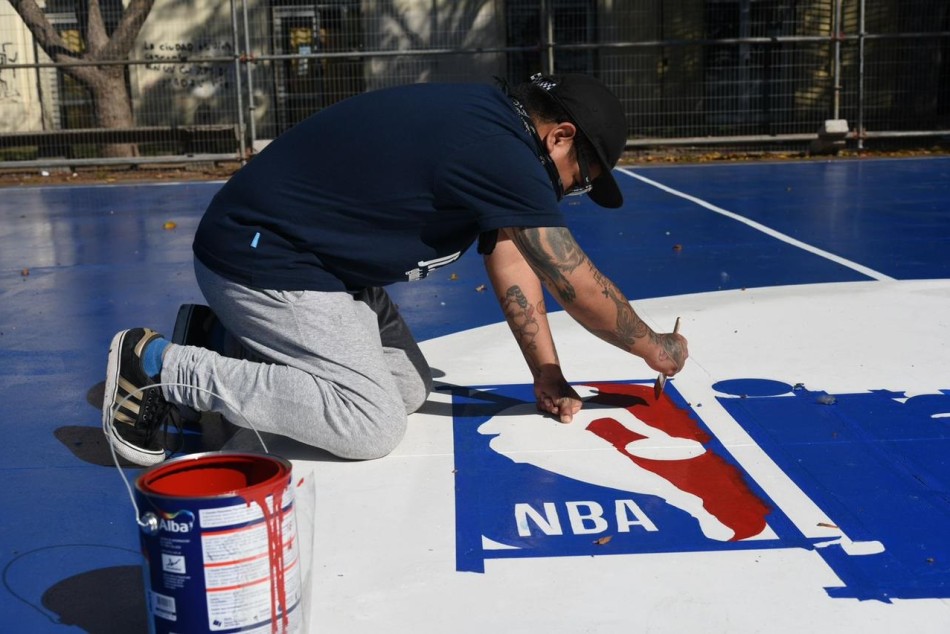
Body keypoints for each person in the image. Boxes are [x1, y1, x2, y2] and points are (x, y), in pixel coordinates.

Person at [102, 73, 689, 466]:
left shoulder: (498, 134)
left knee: (409, 389)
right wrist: (651, 347)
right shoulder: (499, 150)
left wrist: (547, 372)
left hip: (327, 266)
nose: (573, 191)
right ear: (560, 136)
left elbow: (513, 255)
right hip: (265, 261)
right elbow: (576, 283)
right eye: (582, 178)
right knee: (370, 423)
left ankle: (224, 336)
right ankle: (157, 365)